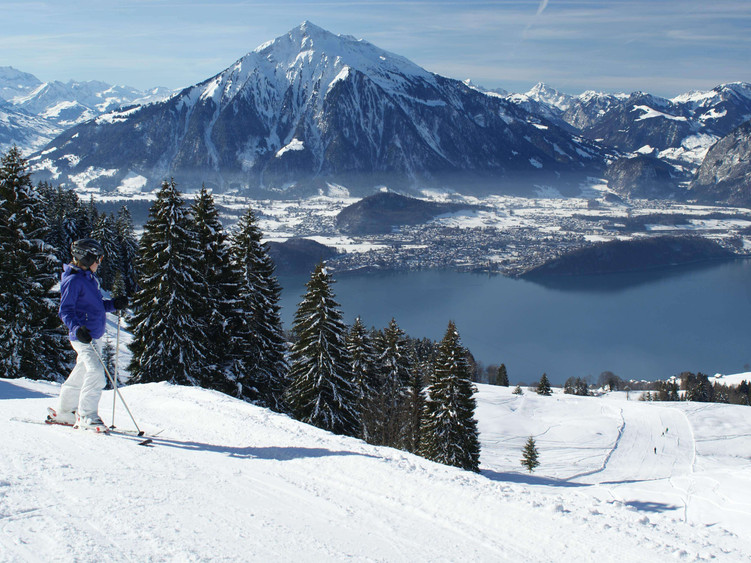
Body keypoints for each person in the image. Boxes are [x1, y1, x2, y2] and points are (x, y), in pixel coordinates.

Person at [47, 238, 128, 432]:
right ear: (87, 257)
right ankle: (86, 415)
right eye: (98, 258)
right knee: (96, 373)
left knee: (81, 373)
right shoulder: (74, 280)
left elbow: (96, 306)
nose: (99, 262)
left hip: (94, 335)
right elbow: (65, 310)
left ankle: (65, 412)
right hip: (83, 337)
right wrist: (76, 329)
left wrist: (113, 304)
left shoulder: (88, 278)